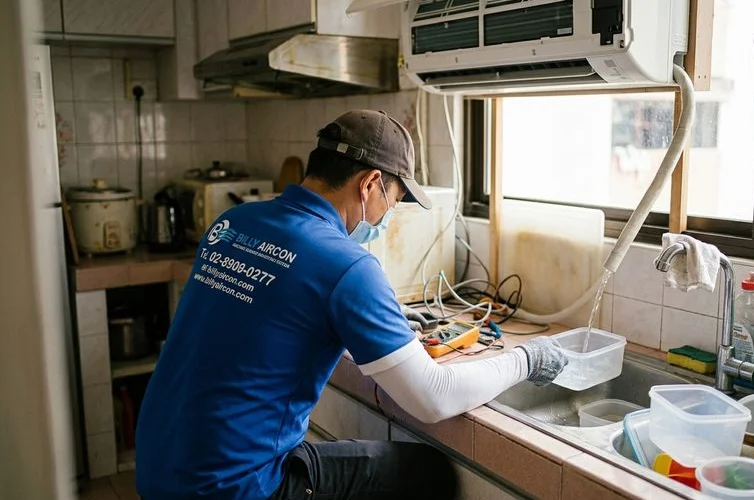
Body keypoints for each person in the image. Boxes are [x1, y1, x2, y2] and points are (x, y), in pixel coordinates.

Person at [135, 109, 568, 500]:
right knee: (428, 473)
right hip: (236, 487)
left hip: (160, 466)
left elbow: (264, 313)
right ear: (369, 185)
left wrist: (382, 320)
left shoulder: (234, 222)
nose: (386, 218)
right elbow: (434, 398)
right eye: (394, 202)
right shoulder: (346, 266)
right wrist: (525, 359)